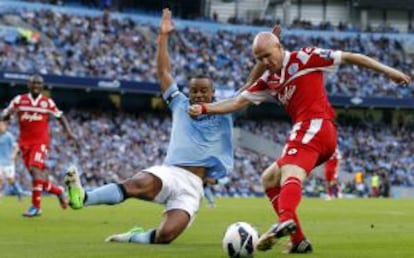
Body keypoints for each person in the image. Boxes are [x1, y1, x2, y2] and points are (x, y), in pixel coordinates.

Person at [188, 31, 411, 253]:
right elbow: (236, 102)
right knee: (269, 179)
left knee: (289, 173)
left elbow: (351, 56)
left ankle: (284, 220)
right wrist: (205, 108)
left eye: (268, 55)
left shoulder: (304, 57)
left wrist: (389, 71)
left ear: (279, 47)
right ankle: (298, 241)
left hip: (315, 125)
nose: (266, 62)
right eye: (259, 59)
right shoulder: (268, 80)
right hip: (314, 135)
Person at [63, 8, 234, 244]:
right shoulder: (180, 104)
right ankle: (83, 198)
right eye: (194, 90)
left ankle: (135, 236)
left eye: (204, 90)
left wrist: (265, 61)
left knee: (165, 236)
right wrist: (163, 36)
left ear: (213, 93)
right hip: (172, 172)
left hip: (194, 187)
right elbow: (163, 72)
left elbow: (248, 88)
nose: (199, 94)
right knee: (138, 184)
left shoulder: (224, 111)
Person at [0, 74, 77, 217]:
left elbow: (60, 116)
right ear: (28, 85)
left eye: (39, 84)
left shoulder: (47, 103)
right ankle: (58, 191)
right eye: (33, 83)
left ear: (42, 86)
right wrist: (7, 117)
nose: (36, 86)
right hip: (24, 143)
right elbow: (6, 114)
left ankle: (36, 207)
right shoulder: (19, 100)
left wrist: (69, 133)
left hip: (41, 142)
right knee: (36, 178)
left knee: (36, 170)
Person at [0, 119, 23, 200]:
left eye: (2, 125)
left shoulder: (9, 136)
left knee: (11, 180)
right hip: (0, 161)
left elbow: (16, 147)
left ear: (5, 126)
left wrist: (13, 154)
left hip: (8, 162)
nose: (0, 127)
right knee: (0, 179)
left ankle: (19, 192)